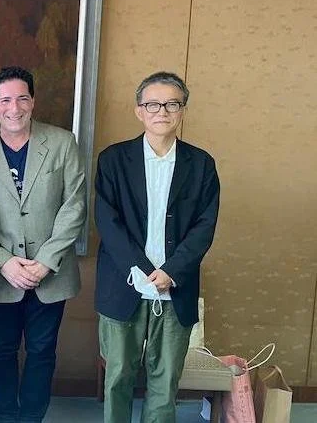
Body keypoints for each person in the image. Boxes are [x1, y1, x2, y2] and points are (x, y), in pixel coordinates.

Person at [0, 66, 86, 423]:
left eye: (21, 98)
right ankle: (5, 415)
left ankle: (32, 417)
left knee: (42, 350)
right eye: (5, 100)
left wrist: (46, 260)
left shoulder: (62, 142)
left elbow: (74, 205)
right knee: (1, 349)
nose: (13, 108)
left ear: (33, 101)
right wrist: (3, 262)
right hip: (4, 274)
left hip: (52, 272)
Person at [94, 71, 220, 423]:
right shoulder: (114, 160)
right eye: (152, 104)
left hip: (175, 286)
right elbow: (107, 221)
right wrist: (145, 270)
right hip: (124, 283)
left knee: (165, 384)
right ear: (139, 110)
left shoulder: (201, 164)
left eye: (171, 104)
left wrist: (170, 271)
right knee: (118, 377)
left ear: (182, 110)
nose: (161, 111)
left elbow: (204, 226)